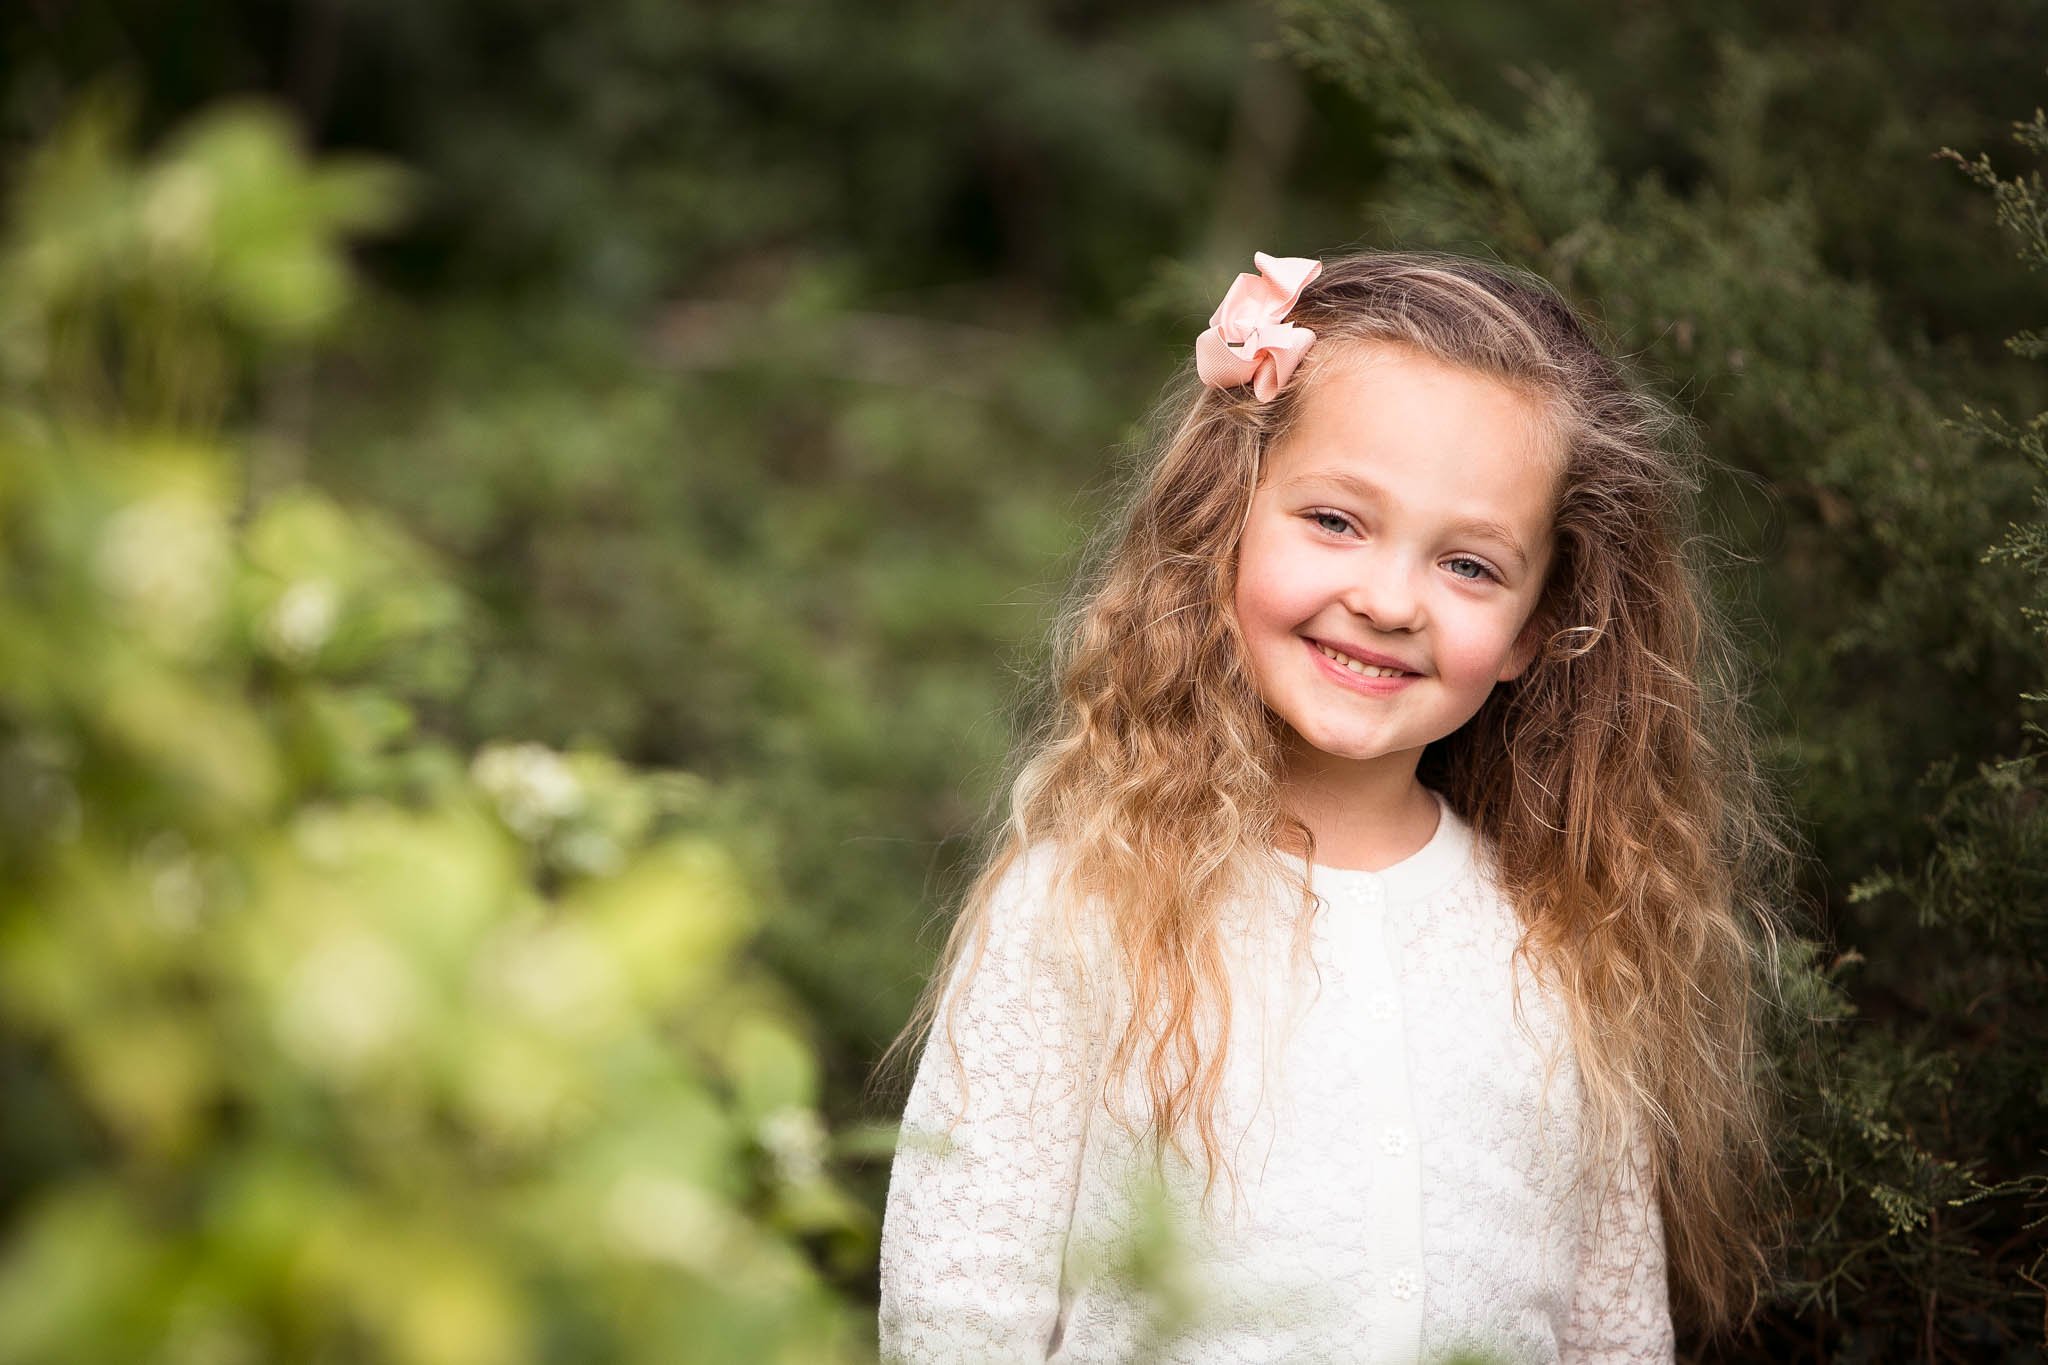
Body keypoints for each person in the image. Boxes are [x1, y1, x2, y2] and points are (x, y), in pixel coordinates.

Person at [872, 249, 1803, 1363]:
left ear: (1531, 630)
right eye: (1334, 521)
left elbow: (1612, 1332)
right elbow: (958, 1301)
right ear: (1223, 522)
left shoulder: (1566, 939)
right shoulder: (1082, 906)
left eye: (1466, 565)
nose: (1386, 600)